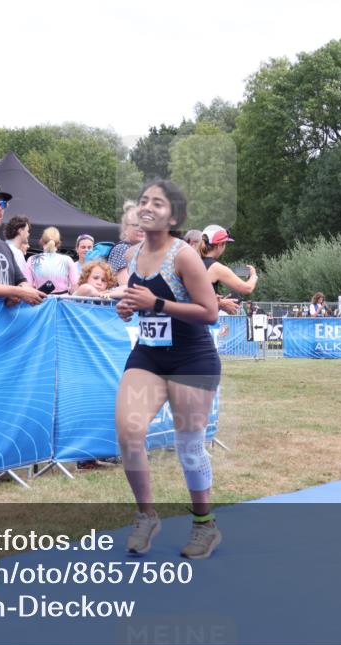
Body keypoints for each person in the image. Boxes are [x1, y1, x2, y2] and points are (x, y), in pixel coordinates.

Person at [115, 180, 222, 560]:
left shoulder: (184, 256)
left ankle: (204, 525)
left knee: (189, 446)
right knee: (128, 431)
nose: (147, 207)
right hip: (148, 355)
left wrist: (156, 303)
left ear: (173, 217)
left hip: (192, 358)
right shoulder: (132, 254)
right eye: (143, 200)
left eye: (157, 203)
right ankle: (146, 516)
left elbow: (210, 312)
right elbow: (139, 303)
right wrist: (128, 307)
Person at [199, 224, 256, 315]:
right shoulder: (216, 267)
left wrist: (219, 303)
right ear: (220, 244)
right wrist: (253, 275)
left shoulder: (193, 261)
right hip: (201, 320)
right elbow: (247, 288)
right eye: (225, 244)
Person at [27, 227, 79, 294]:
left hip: (40, 299)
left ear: (41, 241)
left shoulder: (32, 260)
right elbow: (75, 286)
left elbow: (28, 287)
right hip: (63, 299)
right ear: (59, 243)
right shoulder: (67, 260)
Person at [108, 201, 145, 288]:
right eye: (136, 225)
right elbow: (126, 284)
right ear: (125, 229)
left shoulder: (140, 250)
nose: (141, 229)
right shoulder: (122, 249)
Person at [3, 215, 33, 283]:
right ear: (20, 231)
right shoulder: (17, 253)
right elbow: (22, 282)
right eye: (27, 231)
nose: (28, 234)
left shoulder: (1, 247)